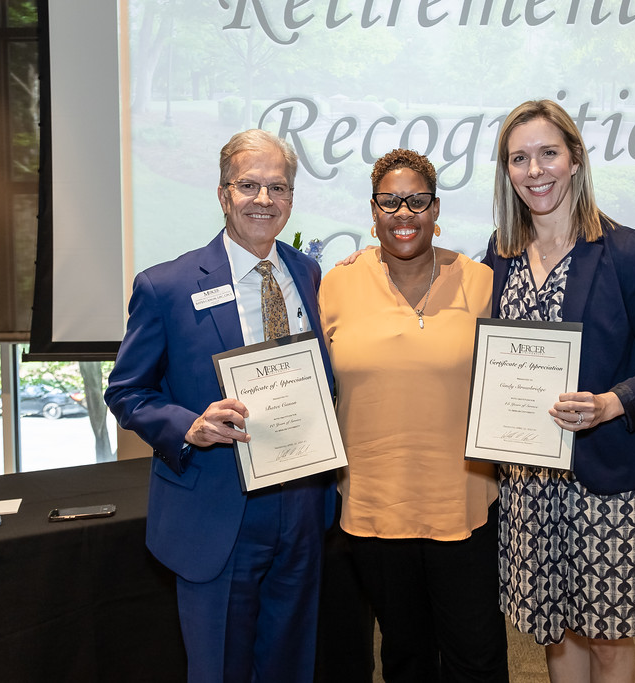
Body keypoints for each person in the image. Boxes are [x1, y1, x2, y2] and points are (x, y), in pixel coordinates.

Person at [105, 129, 334, 683]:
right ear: (223, 193)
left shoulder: (305, 272)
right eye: (249, 185)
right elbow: (126, 391)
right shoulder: (166, 286)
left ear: (291, 199)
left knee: (290, 665)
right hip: (218, 506)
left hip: (301, 505)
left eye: (277, 188)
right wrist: (189, 426)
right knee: (220, 670)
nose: (264, 199)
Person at [485, 100, 635, 682]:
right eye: (519, 158)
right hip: (531, 483)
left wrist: (609, 404)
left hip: (609, 484)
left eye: (547, 153)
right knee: (555, 630)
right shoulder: (499, 257)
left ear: (574, 158)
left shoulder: (621, 250)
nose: (535, 170)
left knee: (607, 637)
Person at [317, 149, 509, 683]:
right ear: (373, 211)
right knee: (405, 657)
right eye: (390, 201)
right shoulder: (336, 284)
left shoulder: (481, 282)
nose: (405, 212)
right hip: (374, 508)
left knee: (477, 655)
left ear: (436, 208)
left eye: (417, 201)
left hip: (463, 504)